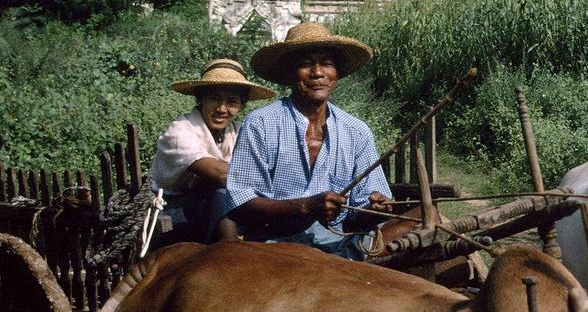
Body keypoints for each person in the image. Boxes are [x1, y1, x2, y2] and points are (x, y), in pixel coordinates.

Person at [220, 22, 420, 259]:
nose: (317, 72)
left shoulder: (356, 131)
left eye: (326, 63)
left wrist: (375, 210)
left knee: (423, 219)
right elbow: (240, 205)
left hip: (341, 248)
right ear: (290, 72)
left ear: (336, 73)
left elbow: (359, 216)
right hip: (275, 249)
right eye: (306, 64)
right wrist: (306, 207)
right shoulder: (262, 123)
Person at [149, 58, 275, 246]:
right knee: (220, 189)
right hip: (173, 209)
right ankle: (230, 256)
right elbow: (221, 174)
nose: (222, 109)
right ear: (201, 99)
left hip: (214, 208)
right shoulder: (180, 131)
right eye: (214, 99)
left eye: (231, 102)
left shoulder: (238, 131)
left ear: (241, 105)